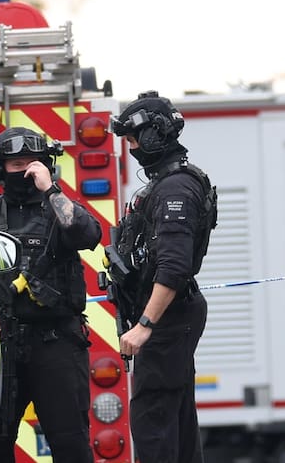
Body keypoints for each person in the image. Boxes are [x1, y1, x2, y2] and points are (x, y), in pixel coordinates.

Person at [0, 127, 101, 463]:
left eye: (33, 162)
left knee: (70, 442)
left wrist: (50, 189)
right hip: (2, 344)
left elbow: (88, 234)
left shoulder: (59, 208)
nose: (25, 170)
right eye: (16, 163)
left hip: (57, 344)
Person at [109, 90, 217, 463]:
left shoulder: (174, 188)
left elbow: (173, 267)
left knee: (154, 425)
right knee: (178, 422)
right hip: (174, 319)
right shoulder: (170, 183)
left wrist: (144, 325)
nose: (133, 147)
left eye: (135, 139)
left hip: (167, 322)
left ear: (155, 136)